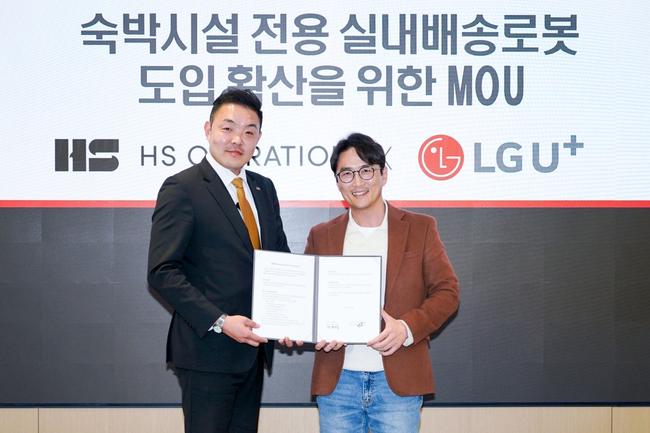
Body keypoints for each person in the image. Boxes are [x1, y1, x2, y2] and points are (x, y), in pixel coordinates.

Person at [147, 88, 290, 433]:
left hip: (253, 352)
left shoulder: (264, 188)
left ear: (258, 139)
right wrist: (221, 321)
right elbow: (162, 272)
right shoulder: (183, 188)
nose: (238, 139)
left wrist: (293, 318)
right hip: (206, 353)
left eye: (249, 131)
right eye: (228, 128)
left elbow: (281, 262)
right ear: (208, 129)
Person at [304, 132, 459, 433]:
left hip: (398, 384)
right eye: (347, 173)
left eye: (366, 170)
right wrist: (308, 327)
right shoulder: (321, 235)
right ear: (338, 182)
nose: (357, 182)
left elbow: (448, 292)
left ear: (383, 174)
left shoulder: (420, 228)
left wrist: (406, 328)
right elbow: (308, 300)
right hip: (338, 384)